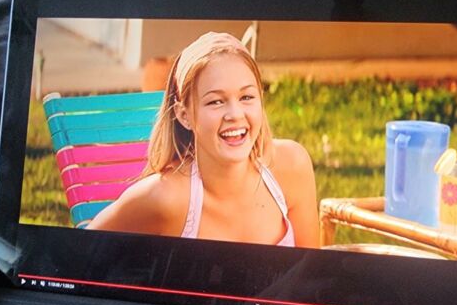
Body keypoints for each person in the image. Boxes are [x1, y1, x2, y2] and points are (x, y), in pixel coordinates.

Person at [88, 31, 320, 248]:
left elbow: (312, 270)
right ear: (184, 115)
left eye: (246, 97)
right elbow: (81, 251)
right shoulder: (166, 198)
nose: (235, 114)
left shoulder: (291, 166)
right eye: (215, 101)